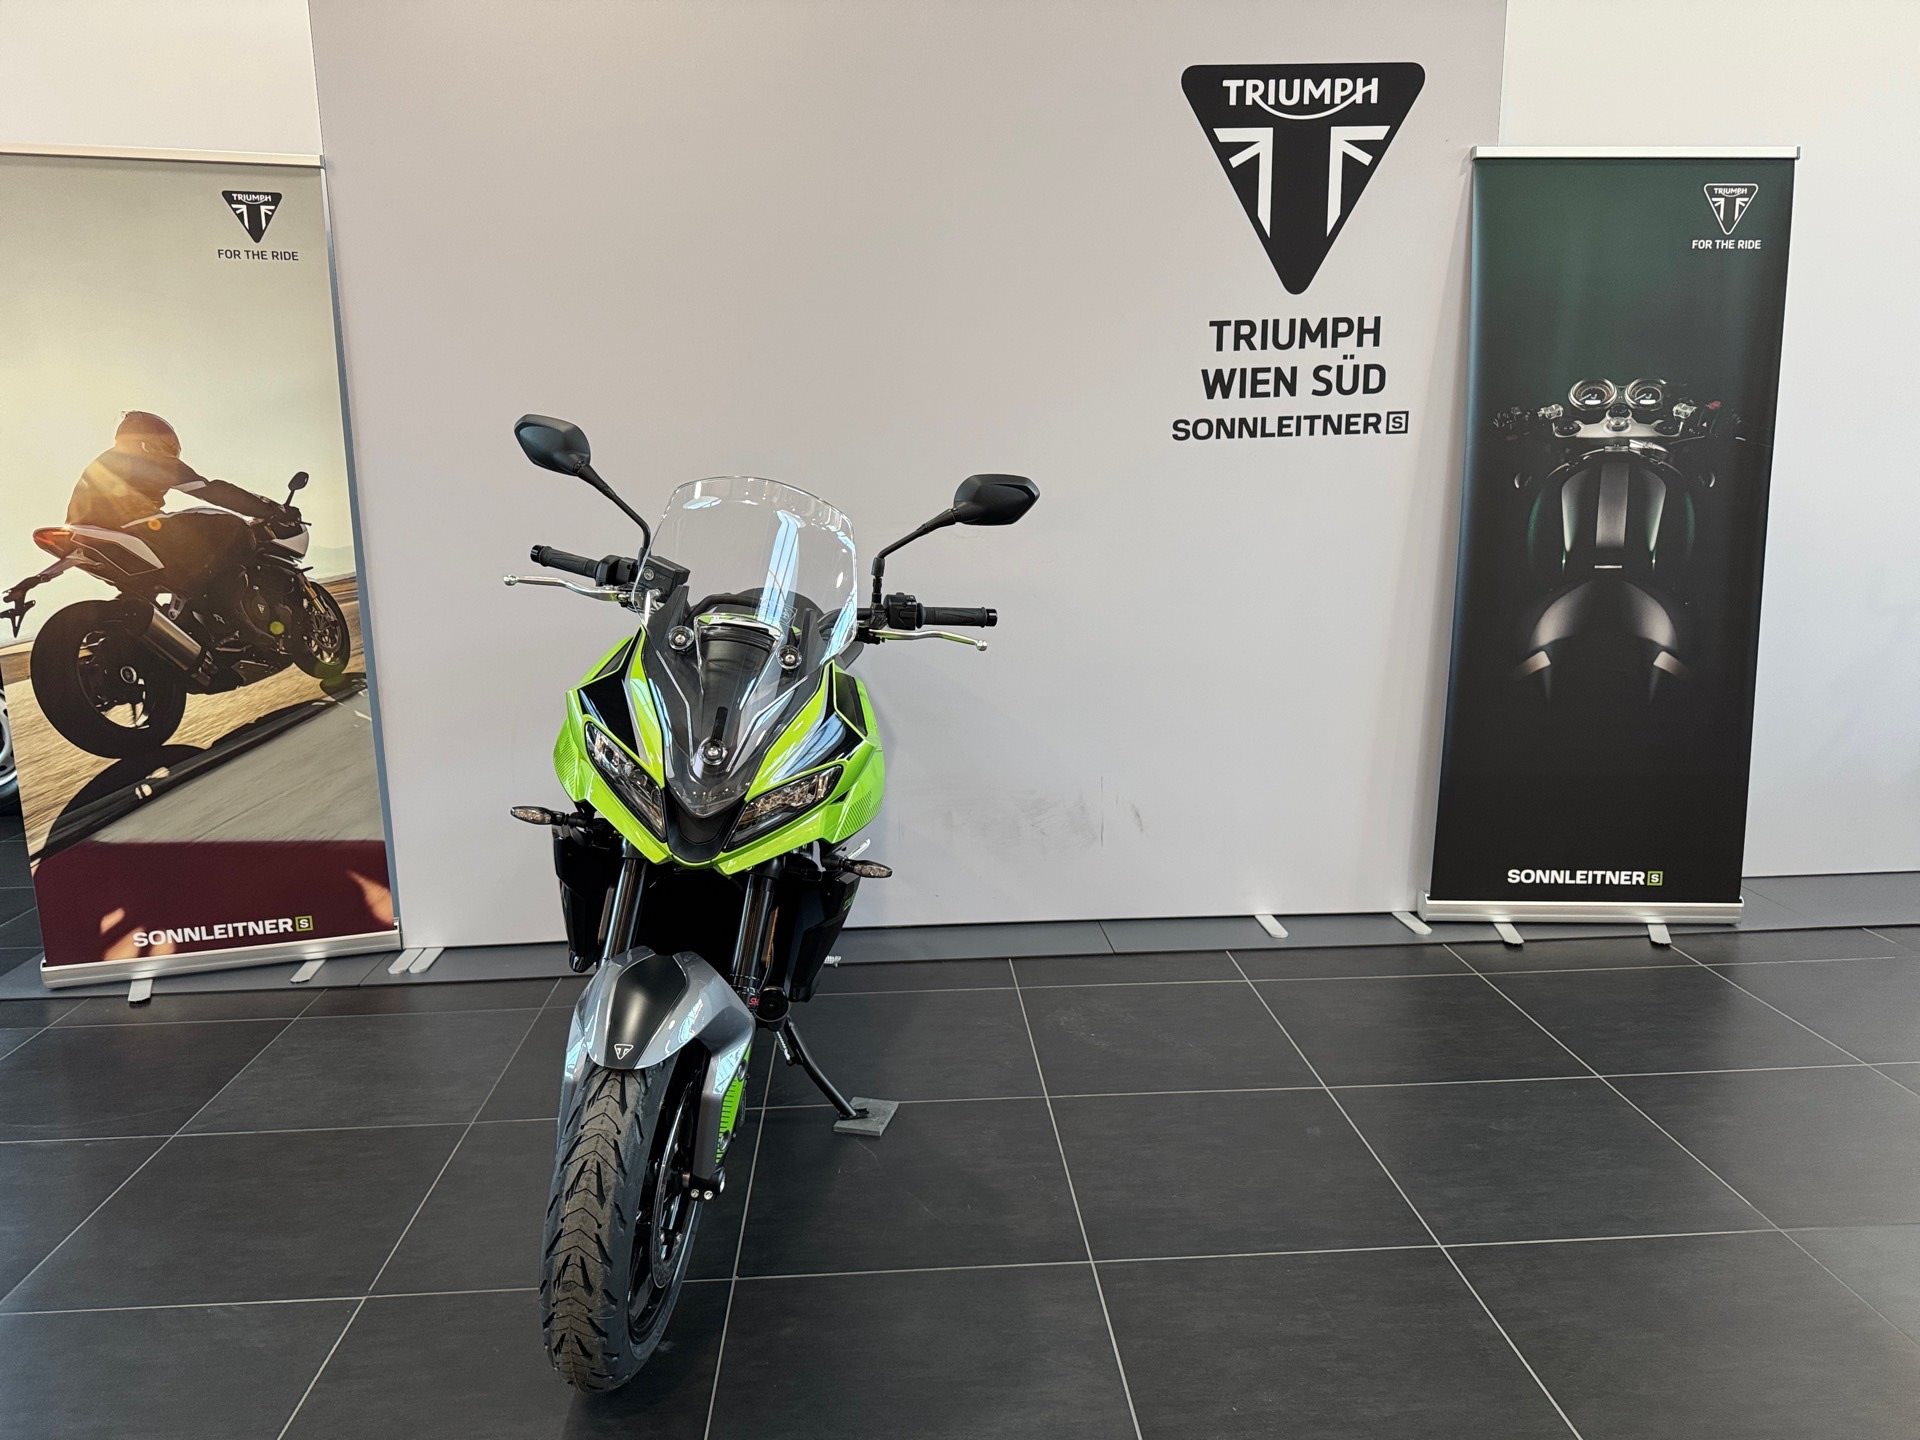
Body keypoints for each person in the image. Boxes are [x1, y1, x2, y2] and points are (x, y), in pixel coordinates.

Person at [4, 412, 290, 628]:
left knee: (140, 592)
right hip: (133, 528)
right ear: (148, 439)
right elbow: (208, 489)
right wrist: (269, 509)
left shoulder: (102, 463)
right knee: (233, 526)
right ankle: (228, 610)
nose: (170, 452)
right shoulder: (144, 456)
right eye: (167, 444)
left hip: (91, 534)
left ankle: (137, 633)